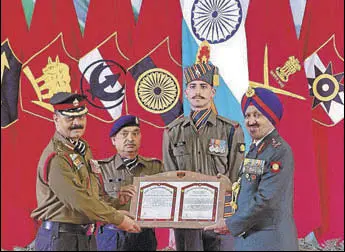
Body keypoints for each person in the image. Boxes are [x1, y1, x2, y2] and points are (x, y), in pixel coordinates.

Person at [31, 92, 141, 251]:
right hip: (60, 240)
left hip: (84, 237)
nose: (77, 123)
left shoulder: (81, 149)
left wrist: (116, 203)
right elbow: (79, 200)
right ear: (56, 119)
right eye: (70, 118)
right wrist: (118, 219)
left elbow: (93, 193)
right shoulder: (56, 157)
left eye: (81, 117)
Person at [162, 41, 245, 251]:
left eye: (203, 86)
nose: (198, 92)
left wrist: (231, 216)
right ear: (186, 92)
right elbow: (169, 176)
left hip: (220, 218)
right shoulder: (172, 132)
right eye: (192, 86)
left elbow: (237, 177)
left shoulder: (231, 130)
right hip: (185, 220)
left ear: (213, 92)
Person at [204, 87, 299, 251]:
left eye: (257, 115)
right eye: (247, 116)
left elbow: (266, 199)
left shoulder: (278, 151)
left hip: (269, 241)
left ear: (271, 117)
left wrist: (230, 224)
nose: (251, 121)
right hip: (250, 239)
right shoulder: (256, 149)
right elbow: (248, 189)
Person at [95, 115, 164, 251]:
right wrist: (117, 203)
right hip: (112, 235)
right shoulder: (100, 168)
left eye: (135, 133)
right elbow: (93, 202)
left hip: (144, 235)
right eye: (124, 134)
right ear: (114, 140)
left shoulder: (155, 167)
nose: (130, 139)